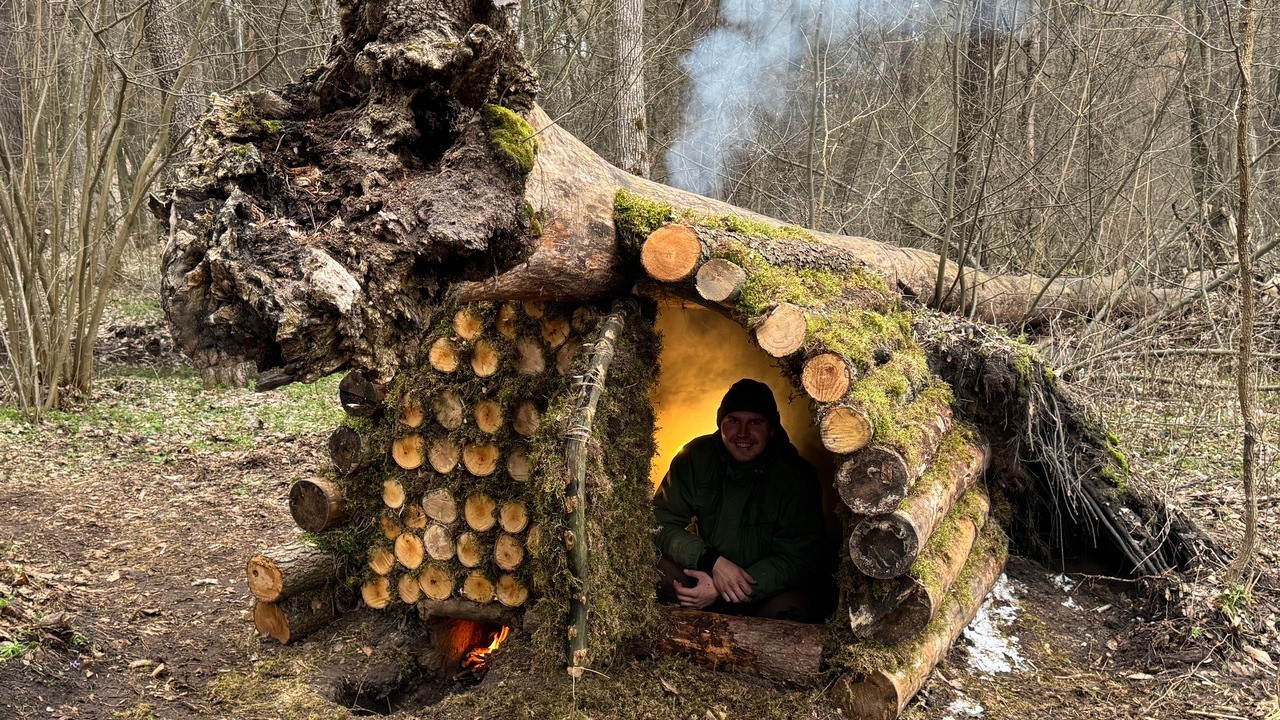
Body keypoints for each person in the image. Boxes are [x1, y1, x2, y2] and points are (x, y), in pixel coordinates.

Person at [652, 378, 831, 623]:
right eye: (733, 421)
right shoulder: (696, 457)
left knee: (798, 608)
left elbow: (801, 558)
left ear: (771, 428)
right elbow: (660, 522)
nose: (743, 433)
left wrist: (725, 588)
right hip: (702, 577)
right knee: (651, 567)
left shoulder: (796, 475)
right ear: (720, 423)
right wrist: (710, 561)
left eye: (755, 422)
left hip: (763, 592)